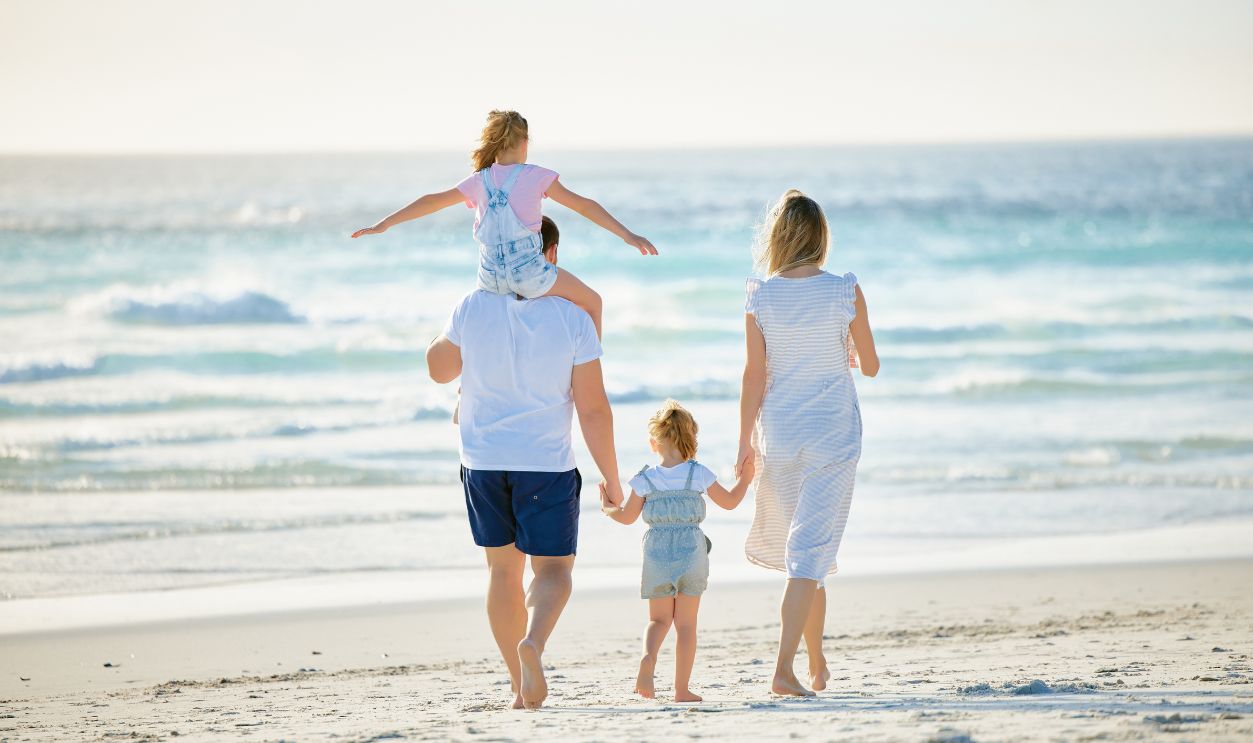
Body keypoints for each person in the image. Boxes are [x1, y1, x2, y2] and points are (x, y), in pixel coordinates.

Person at [425, 217, 625, 710]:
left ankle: (520, 684)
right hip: (546, 464)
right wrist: (612, 479)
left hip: (484, 463)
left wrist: (455, 329)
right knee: (554, 570)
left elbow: (438, 369)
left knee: (501, 573)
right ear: (550, 257)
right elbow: (593, 409)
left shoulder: (472, 307)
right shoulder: (573, 318)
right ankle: (532, 644)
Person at [735, 189, 880, 697]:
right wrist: (845, 352)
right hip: (833, 435)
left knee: (808, 555)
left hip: (779, 434)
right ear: (820, 238)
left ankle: (817, 662)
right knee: (809, 553)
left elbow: (754, 375)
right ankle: (783, 670)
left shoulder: (761, 294)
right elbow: (872, 363)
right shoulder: (845, 290)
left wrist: (741, 443)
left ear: (778, 237)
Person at [353, 109, 658, 337]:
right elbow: (584, 205)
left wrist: (384, 224)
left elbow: (431, 201)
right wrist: (628, 235)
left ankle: (465, 386)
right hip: (531, 276)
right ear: (525, 142)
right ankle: (590, 371)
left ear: (494, 145)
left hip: (489, 282)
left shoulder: (478, 182)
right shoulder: (537, 176)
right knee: (593, 301)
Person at [599, 400, 754, 702]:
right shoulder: (698, 473)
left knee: (658, 621)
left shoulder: (645, 478)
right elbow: (730, 501)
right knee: (686, 625)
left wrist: (607, 508)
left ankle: (648, 659)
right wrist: (746, 478)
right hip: (691, 553)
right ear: (692, 439)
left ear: (653, 442)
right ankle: (681, 690)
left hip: (656, 552)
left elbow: (627, 517)